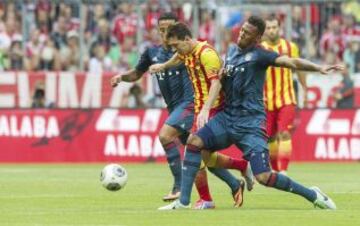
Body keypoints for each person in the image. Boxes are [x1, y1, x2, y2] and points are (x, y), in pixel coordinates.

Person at [158, 15, 342, 210]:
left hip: (251, 124)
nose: (241, 34)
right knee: (194, 143)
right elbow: (221, 80)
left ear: (257, 38)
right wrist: (214, 91)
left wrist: (318, 67)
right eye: (242, 30)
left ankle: (312, 194)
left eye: (247, 33)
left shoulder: (261, 54)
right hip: (227, 118)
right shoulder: (231, 51)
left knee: (264, 176)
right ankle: (184, 202)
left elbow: (292, 62)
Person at [111, 13, 252, 209]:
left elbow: (213, 76)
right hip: (175, 108)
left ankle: (180, 189)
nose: (165, 33)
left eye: (169, 29)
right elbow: (136, 73)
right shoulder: (153, 53)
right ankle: (235, 179)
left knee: (166, 136)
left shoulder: (189, 49)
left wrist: (206, 106)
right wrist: (121, 77)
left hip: (190, 105)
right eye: (161, 30)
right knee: (202, 156)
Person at [261, 16, 307, 174]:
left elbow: (299, 66)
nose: (272, 30)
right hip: (267, 100)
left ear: (279, 28)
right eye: (269, 28)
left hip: (287, 97)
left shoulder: (290, 46)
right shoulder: (260, 48)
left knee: (284, 133)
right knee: (271, 137)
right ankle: (274, 170)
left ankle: (284, 171)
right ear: (264, 30)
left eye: (274, 27)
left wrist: (305, 87)